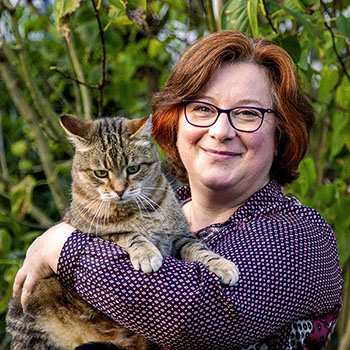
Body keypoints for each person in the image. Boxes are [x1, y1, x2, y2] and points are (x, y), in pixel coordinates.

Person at [13, 30, 343, 349]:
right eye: (202, 108)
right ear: (174, 121)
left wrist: (60, 247)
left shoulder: (302, 236)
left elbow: (200, 317)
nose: (220, 131)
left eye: (246, 113)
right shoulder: (154, 204)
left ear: (280, 135)